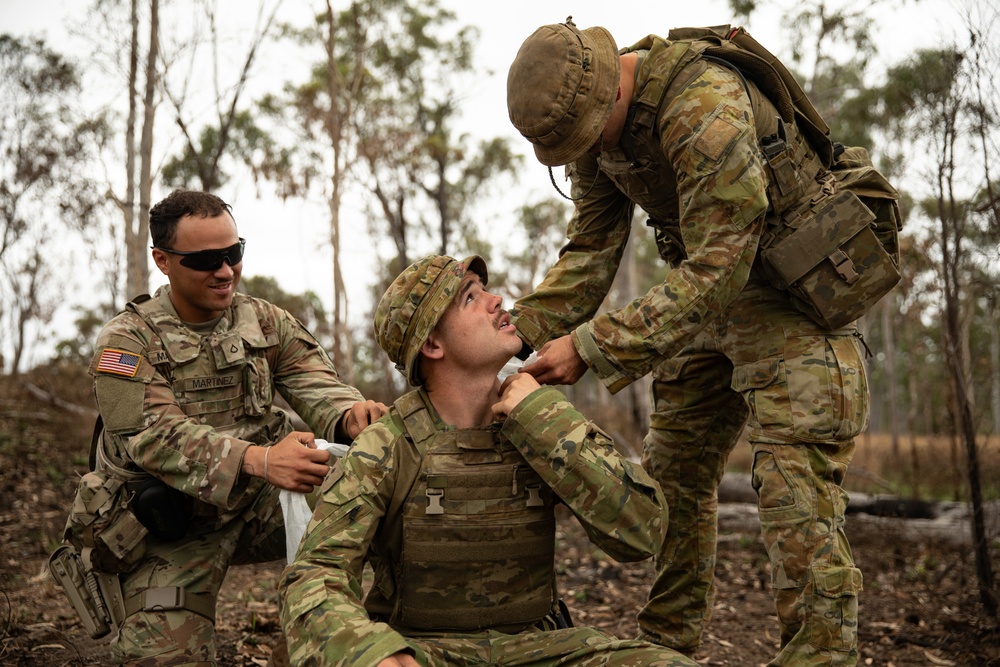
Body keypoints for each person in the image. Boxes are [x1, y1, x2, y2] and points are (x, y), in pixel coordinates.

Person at [505, 19, 869, 667]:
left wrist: (590, 348)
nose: (588, 152)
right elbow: (590, 251)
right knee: (672, 479)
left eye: (587, 138)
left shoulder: (704, 105)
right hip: (701, 298)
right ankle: (667, 644)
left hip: (789, 291)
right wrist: (512, 336)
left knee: (794, 493)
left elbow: (721, 267)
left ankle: (821, 656)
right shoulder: (594, 130)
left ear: (611, 93)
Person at [278, 254, 697, 667]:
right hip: (423, 654)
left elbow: (643, 533)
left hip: (539, 651)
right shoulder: (388, 446)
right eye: (469, 297)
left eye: (486, 289)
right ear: (431, 344)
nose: (497, 300)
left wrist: (542, 420)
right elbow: (316, 577)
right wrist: (371, 653)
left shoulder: (538, 420)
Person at [73, 189, 387, 665]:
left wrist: (349, 414)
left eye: (233, 253)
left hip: (263, 502)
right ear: (163, 260)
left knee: (384, 500)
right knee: (166, 658)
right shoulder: (127, 340)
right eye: (205, 260)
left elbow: (315, 382)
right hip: (171, 525)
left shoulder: (263, 321)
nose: (225, 272)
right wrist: (260, 459)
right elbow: (153, 437)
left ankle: (320, 637)